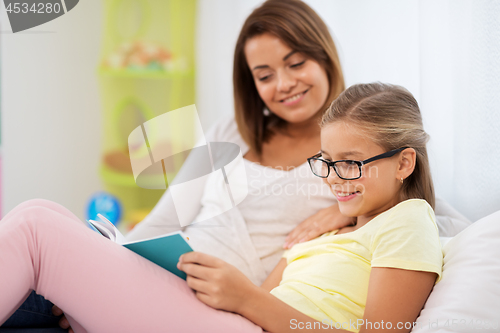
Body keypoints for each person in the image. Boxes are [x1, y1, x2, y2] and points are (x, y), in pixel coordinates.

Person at [2, 0, 470, 330]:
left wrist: (341, 213)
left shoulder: (356, 158)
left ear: (324, 56)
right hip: (175, 277)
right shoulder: (232, 131)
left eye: (296, 63)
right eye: (264, 75)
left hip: (225, 304)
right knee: (48, 254)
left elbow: (435, 216)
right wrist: (107, 268)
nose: (283, 84)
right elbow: (167, 218)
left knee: (36, 226)